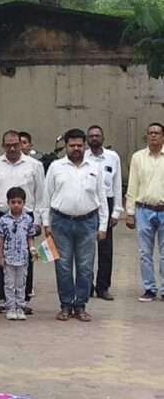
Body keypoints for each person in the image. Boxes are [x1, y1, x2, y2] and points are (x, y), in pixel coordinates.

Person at [43, 128, 107, 322]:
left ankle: (80, 306)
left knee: (85, 267)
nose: (76, 148)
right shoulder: (56, 166)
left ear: (85, 145)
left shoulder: (94, 167)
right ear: (66, 146)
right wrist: (46, 223)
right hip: (61, 223)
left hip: (88, 223)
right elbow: (46, 196)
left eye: (80, 145)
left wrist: (102, 225)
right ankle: (65, 305)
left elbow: (102, 197)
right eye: (72, 145)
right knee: (62, 266)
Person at [0, 131, 45, 314]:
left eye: (16, 144)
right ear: (3, 145)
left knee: (25, 258)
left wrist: (37, 221)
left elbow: (40, 195)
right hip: (1, 215)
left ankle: (23, 299)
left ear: (21, 145)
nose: (12, 148)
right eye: (8, 145)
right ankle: (4, 298)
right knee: (1, 259)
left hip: (25, 217)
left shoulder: (34, 165)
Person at [125, 121, 164, 301]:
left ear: (163, 136)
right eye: (150, 133)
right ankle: (149, 288)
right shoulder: (138, 157)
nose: (153, 135)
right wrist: (130, 213)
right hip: (144, 211)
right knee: (144, 253)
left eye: (157, 133)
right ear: (147, 136)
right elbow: (132, 185)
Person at [85, 125, 122, 301]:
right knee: (86, 249)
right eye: (91, 136)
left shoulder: (112, 157)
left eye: (97, 135)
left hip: (106, 203)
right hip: (88, 204)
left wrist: (116, 211)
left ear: (103, 138)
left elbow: (116, 184)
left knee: (105, 249)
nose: (94, 138)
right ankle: (86, 286)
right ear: (87, 139)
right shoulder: (82, 156)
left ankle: (103, 287)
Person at [0, 187, 37, 320]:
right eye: (13, 202)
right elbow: (0, 239)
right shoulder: (3, 220)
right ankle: (10, 307)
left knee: (21, 284)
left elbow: (30, 237)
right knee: (9, 284)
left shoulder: (28, 220)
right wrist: (1, 256)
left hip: (23, 258)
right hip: (9, 258)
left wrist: (32, 249)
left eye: (19, 202)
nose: (16, 205)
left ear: (24, 203)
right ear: (8, 203)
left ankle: (20, 306)